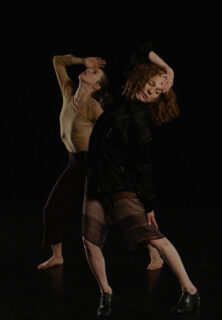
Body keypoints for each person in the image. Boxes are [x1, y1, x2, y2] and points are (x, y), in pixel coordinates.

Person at [82, 46, 199, 318]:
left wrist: (148, 205)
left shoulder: (139, 120)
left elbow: (143, 166)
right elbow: (136, 52)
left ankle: (190, 290)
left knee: (155, 239)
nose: (152, 90)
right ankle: (105, 294)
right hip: (96, 180)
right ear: (141, 78)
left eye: (159, 91)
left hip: (121, 185)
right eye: (151, 83)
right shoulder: (122, 95)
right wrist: (168, 70)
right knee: (89, 241)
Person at [38, 53, 164, 271]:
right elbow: (57, 61)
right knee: (53, 208)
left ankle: (155, 252)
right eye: (91, 69)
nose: (88, 71)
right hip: (75, 163)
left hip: (95, 164)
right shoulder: (68, 91)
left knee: (123, 211)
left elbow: (115, 130)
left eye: (94, 73)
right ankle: (57, 256)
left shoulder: (94, 107)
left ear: (97, 87)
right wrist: (81, 61)